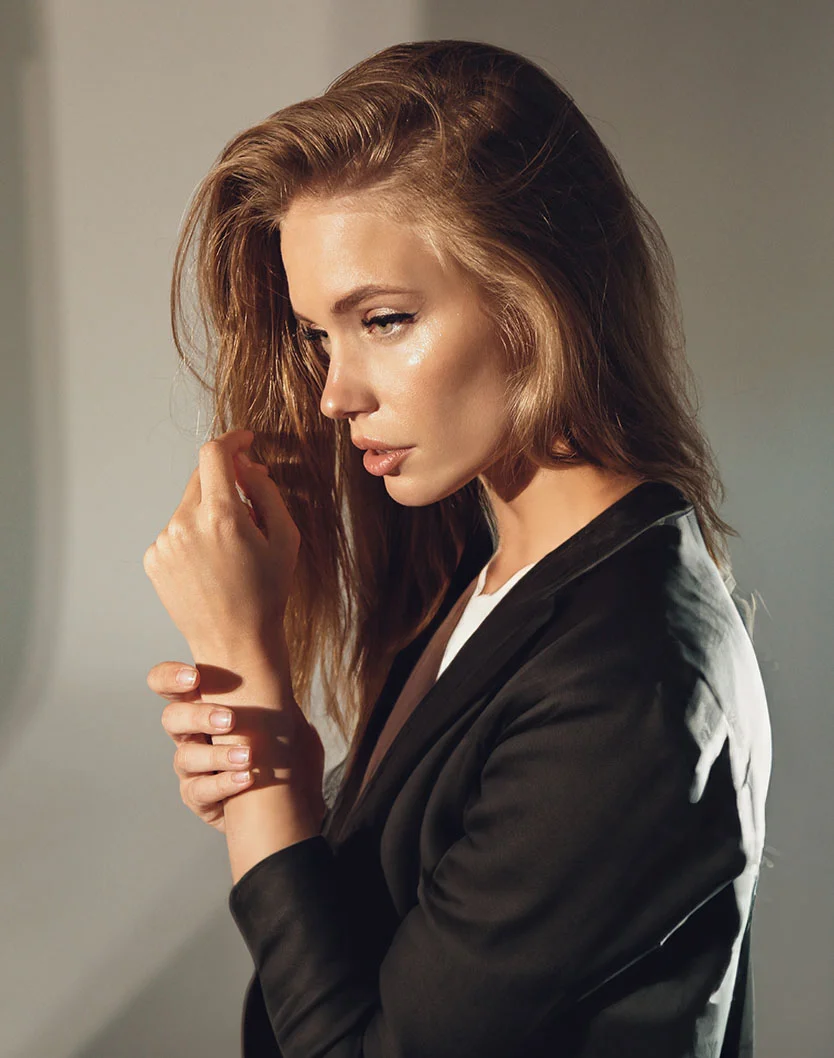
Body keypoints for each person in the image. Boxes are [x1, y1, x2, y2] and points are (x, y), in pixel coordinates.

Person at [143, 40, 772, 1057]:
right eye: (318, 335)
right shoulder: (491, 584)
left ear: (536, 296)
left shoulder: (625, 676)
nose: (333, 392)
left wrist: (256, 711)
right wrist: (289, 775)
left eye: (384, 320)